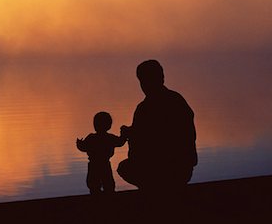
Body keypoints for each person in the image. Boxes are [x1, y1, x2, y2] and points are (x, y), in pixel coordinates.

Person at [117, 60, 197, 192]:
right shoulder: (178, 100)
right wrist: (132, 132)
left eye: (144, 81)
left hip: (161, 170)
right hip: (184, 169)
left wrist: (129, 135)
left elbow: (146, 140)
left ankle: (150, 189)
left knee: (124, 167)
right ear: (162, 78)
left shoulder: (144, 108)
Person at [77, 111, 127, 194]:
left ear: (95, 125)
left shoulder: (91, 138)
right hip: (105, 164)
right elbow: (120, 142)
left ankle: (96, 202)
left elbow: (83, 148)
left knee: (93, 186)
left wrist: (78, 144)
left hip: (93, 165)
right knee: (109, 185)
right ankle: (109, 201)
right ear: (109, 126)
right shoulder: (110, 138)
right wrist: (124, 134)